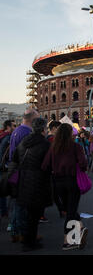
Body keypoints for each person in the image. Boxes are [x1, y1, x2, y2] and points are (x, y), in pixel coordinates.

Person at [41, 123, 88, 250]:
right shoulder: (75, 147)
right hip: (72, 181)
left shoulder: (53, 148)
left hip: (58, 182)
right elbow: (83, 164)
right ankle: (68, 241)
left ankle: (80, 229)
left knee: (69, 208)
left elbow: (45, 166)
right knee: (71, 211)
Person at [9, 118, 51, 251]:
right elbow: (48, 164)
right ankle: (29, 243)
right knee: (34, 215)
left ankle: (27, 239)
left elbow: (15, 159)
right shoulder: (44, 144)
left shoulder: (23, 142)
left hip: (23, 180)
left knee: (27, 214)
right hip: (38, 182)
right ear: (43, 129)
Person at [8, 108, 39, 243]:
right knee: (23, 205)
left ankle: (15, 231)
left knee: (17, 203)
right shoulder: (27, 133)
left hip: (16, 170)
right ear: (32, 118)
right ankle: (22, 232)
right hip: (24, 172)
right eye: (37, 118)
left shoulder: (16, 131)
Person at [0, 120, 15, 220]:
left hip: (1, 166)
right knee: (9, 190)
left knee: (2, 189)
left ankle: (4, 211)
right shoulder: (8, 137)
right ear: (9, 127)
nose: (15, 127)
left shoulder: (1, 135)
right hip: (4, 167)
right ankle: (6, 212)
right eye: (14, 125)